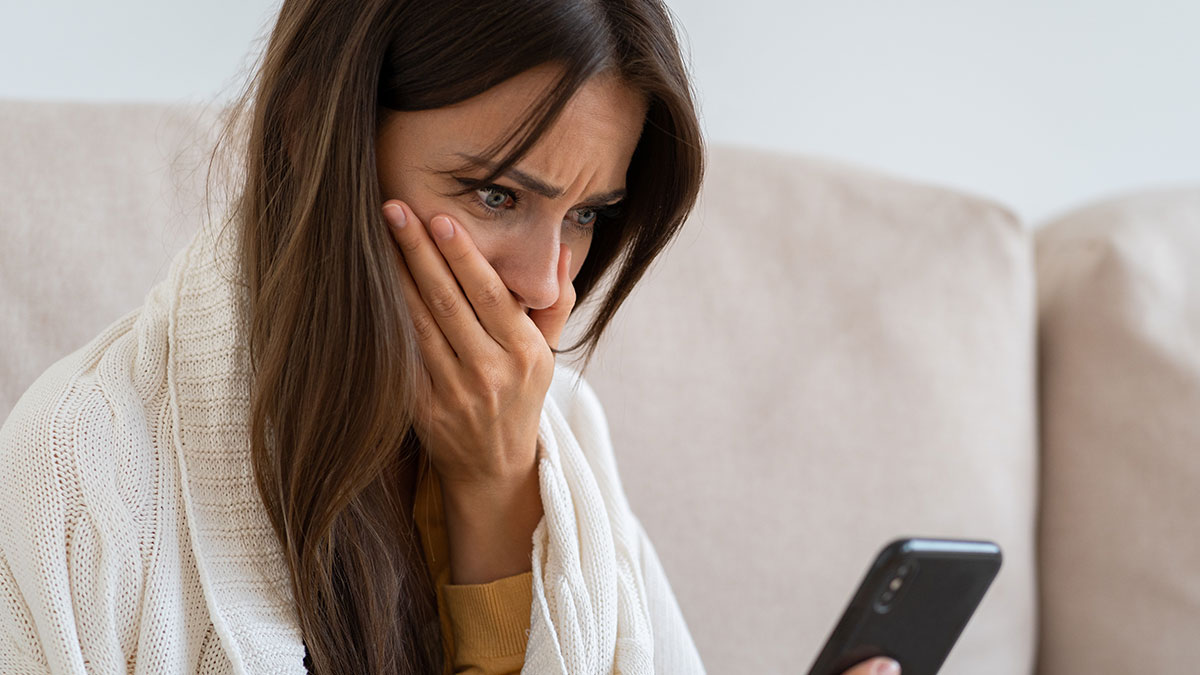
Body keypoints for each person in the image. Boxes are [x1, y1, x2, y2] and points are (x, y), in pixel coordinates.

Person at [0, 1, 902, 674]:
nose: (550, 283)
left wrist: (500, 491)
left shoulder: (563, 437)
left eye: (588, 214)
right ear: (317, 128)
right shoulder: (77, 469)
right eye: (497, 196)